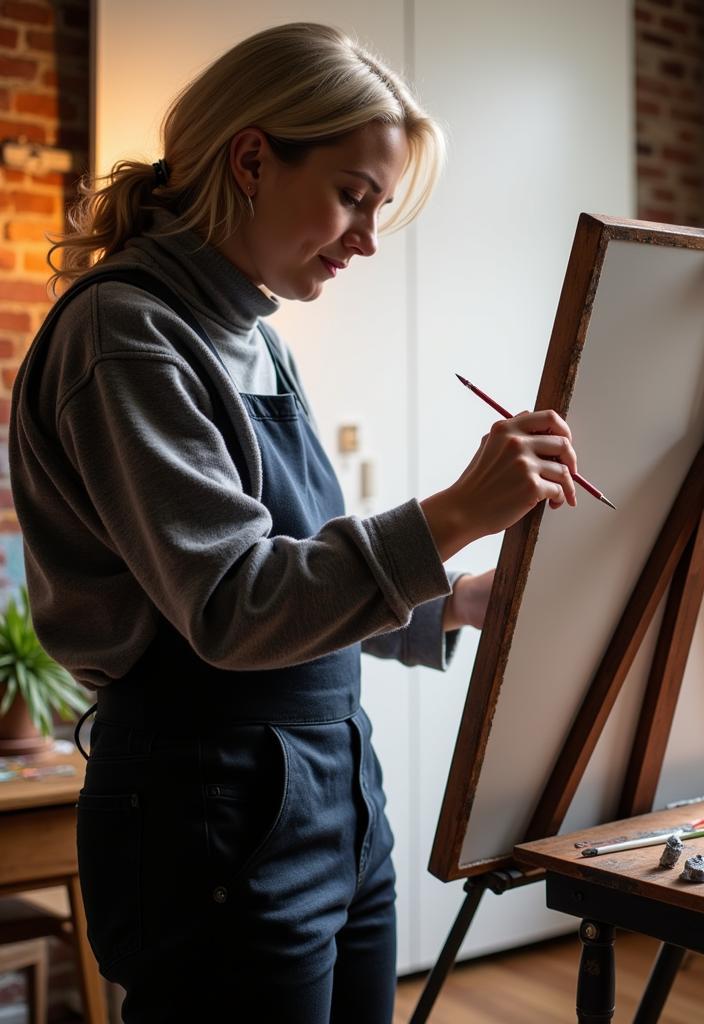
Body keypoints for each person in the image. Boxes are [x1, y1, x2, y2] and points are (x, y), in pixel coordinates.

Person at [9, 22, 578, 1024]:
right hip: (208, 800)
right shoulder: (125, 332)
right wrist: (453, 513)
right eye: (354, 196)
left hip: (332, 779)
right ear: (252, 156)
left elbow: (292, 576)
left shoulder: (256, 340)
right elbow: (232, 604)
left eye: (380, 208)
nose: (365, 237)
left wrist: (447, 605)